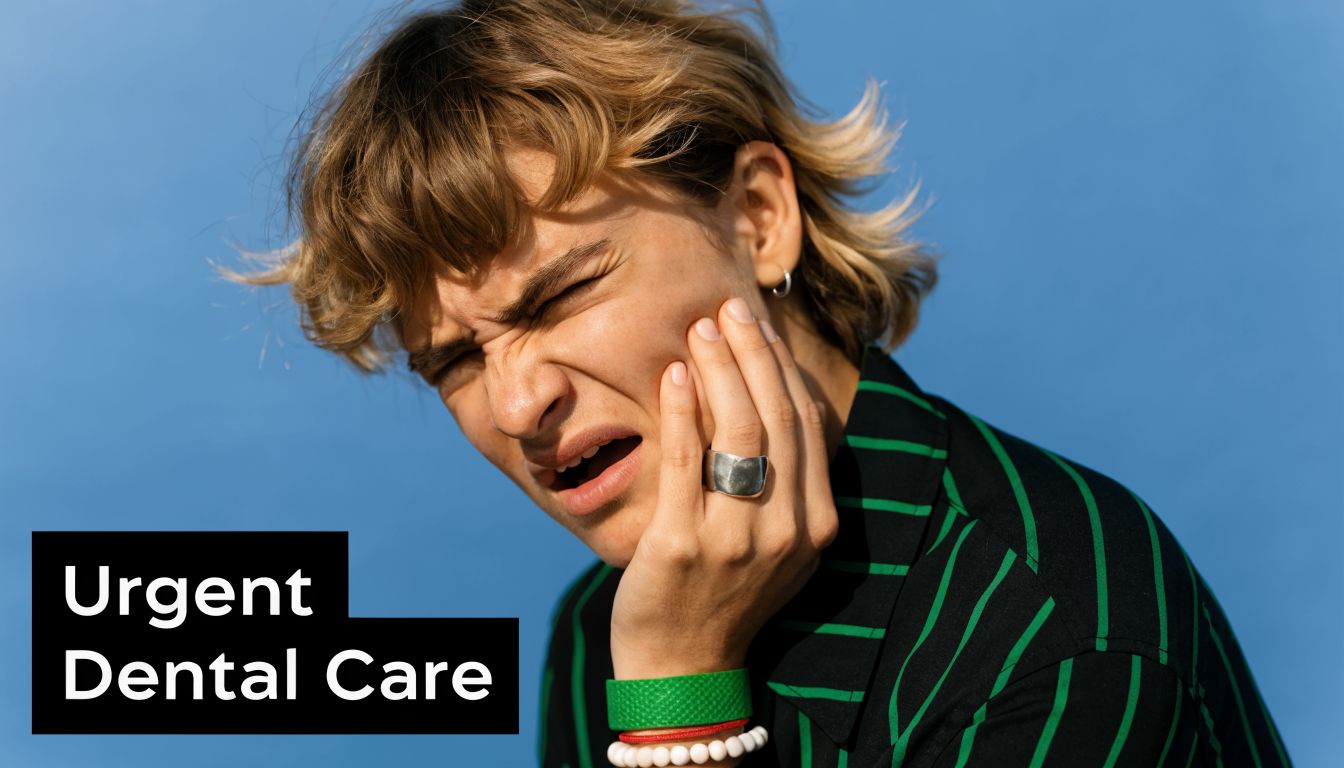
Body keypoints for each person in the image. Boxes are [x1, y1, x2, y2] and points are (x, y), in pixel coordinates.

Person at [236, 0, 1289, 764]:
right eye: (456, 361)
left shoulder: (1061, 637)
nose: (517, 405)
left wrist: (677, 700)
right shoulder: (603, 631)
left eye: (558, 297)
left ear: (757, 217)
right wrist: (660, 665)